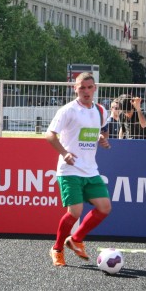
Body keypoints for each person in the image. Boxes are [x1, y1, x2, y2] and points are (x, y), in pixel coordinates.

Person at [45, 72, 112, 267]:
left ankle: (76, 239)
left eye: (89, 87)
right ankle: (57, 249)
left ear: (95, 89)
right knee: (75, 211)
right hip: (69, 169)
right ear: (75, 89)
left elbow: (101, 131)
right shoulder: (68, 110)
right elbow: (50, 135)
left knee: (105, 207)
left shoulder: (100, 110)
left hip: (91, 170)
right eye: (82, 87)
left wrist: (102, 140)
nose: (86, 91)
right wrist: (64, 153)